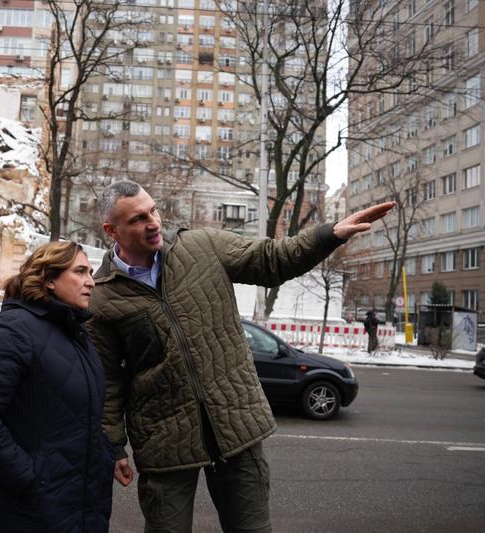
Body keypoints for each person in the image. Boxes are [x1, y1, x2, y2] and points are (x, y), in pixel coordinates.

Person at [86, 180, 395, 533]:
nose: (154, 222)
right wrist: (113, 447)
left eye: (153, 210)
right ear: (112, 230)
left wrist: (331, 234)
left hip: (235, 427)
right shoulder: (103, 298)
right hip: (164, 443)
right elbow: (108, 381)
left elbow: (272, 259)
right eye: (138, 218)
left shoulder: (201, 246)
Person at [0, 241, 114, 533]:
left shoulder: (77, 335)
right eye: (80, 272)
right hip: (28, 512)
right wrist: (29, 478)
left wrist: (105, 454)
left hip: (82, 506)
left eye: (91, 272)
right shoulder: (11, 331)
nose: (91, 282)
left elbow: (84, 414)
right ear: (49, 279)